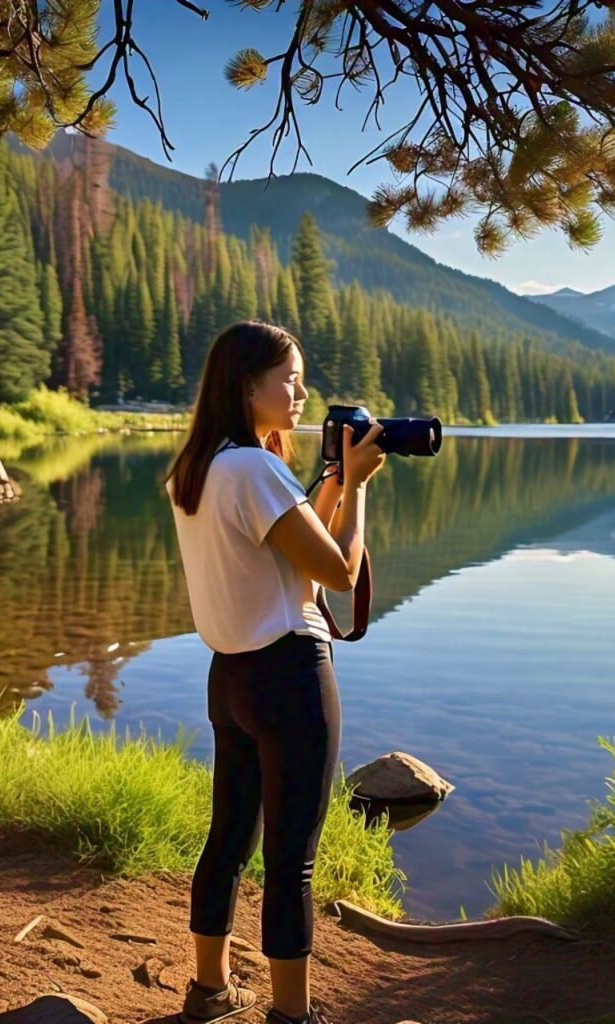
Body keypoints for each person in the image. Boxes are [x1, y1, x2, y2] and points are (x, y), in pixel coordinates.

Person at [163, 320, 386, 1024]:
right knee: (292, 859)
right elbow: (338, 573)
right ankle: (293, 1016)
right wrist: (361, 489)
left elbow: (292, 555)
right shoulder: (255, 470)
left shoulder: (201, 468)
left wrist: (333, 486)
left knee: (227, 840)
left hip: (230, 677)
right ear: (246, 384)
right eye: (288, 379)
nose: (301, 392)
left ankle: (210, 991)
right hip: (289, 675)